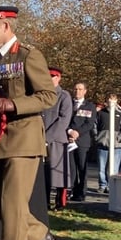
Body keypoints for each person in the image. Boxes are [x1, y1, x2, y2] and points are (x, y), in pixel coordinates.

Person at [0, 4, 57, 240]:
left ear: (5, 25)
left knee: (12, 203)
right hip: (0, 139)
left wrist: (13, 104)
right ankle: (39, 234)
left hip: (24, 138)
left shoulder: (28, 55)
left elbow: (48, 96)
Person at [42, 67, 73, 209]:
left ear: (58, 78)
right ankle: (44, 201)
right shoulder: (42, 94)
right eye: (48, 76)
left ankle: (60, 203)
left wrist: (47, 137)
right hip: (41, 138)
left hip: (56, 139)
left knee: (59, 174)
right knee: (44, 173)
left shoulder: (64, 96)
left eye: (53, 76)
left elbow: (64, 120)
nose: (50, 78)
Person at [67, 81, 96, 201]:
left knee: (82, 167)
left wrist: (77, 133)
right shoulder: (68, 104)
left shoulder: (89, 106)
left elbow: (89, 124)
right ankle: (72, 190)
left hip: (82, 141)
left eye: (80, 89)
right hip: (69, 140)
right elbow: (64, 120)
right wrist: (69, 131)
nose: (77, 91)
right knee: (71, 168)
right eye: (75, 89)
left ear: (85, 91)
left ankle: (81, 192)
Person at [95, 93, 121, 192]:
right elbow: (94, 126)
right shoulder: (100, 113)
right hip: (102, 144)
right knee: (101, 168)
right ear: (106, 101)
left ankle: (111, 186)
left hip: (116, 146)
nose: (111, 101)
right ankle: (102, 185)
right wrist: (96, 137)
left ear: (117, 101)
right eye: (110, 99)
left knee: (114, 168)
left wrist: (120, 138)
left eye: (114, 99)